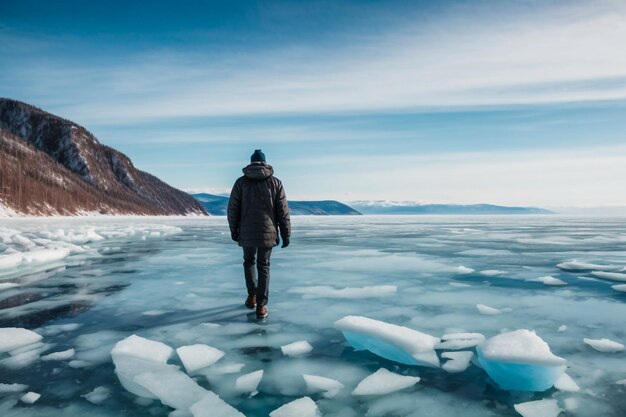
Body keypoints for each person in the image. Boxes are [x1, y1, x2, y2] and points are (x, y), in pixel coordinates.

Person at [227, 149, 291, 319]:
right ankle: (261, 306)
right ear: (264, 162)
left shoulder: (240, 183)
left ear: (251, 163)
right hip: (267, 232)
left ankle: (252, 296)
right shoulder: (275, 182)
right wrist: (286, 233)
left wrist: (234, 229)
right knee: (264, 266)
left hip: (246, 231)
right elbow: (282, 210)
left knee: (249, 262)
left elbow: (233, 209)